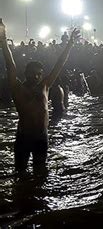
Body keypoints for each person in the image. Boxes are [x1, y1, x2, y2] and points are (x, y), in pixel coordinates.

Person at [0, 18, 80, 173]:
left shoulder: (45, 86)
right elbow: (10, 65)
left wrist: (70, 44)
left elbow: (60, 63)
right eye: (32, 74)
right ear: (25, 73)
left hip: (41, 137)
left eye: (39, 74)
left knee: (40, 173)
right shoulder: (17, 88)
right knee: (20, 173)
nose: (36, 77)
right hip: (23, 137)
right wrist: (3, 41)